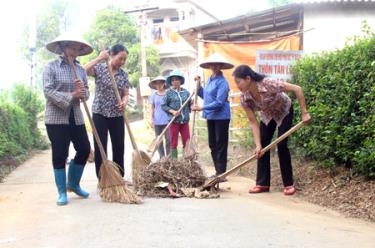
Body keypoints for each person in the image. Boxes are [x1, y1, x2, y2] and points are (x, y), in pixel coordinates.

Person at [232, 64, 311, 196]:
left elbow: (297, 89)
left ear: (248, 78)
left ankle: (288, 184)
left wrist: (304, 113)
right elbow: (253, 122)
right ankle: (262, 183)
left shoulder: (268, 83)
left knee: (281, 144)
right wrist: (257, 145)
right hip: (267, 116)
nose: (237, 86)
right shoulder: (244, 98)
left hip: (284, 111)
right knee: (262, 147)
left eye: (238, 82)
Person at [43, 33, 93, 205]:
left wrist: (83, 93)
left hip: (76, 116)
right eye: (72, 47)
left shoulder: (80, 69)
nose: (75, 51)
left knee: (85, 149)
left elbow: (86, 93)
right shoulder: (51, 67)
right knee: (60, 154)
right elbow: (48, 91)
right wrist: (72, 94)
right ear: (63, 48)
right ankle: (62, 191)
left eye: (77, 48)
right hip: (56, 117)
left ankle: (73, 183)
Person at [84, 44, 129, 178]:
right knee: (100, 147)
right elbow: (83, 70)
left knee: (119, 146)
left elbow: (126, 94)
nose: (122, 62)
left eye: (124, 60)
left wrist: (124, 102)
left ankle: (119, 177)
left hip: (117, 114)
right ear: (112, 55)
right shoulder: (100, 68)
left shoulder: (123, 74)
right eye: (120, 58)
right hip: (100, 113)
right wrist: (99, 58)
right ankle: (102, 178)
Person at [192, 52, 233, 180]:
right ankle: (218, 171)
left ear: (220, 66)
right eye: (212, 64)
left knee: (220, 144)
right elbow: (206, 96)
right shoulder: (210, 80)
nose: (214, 66)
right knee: (212, 144)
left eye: (216, 64)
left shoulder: (222, 82)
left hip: (221, 117)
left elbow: (219, 102)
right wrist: (198, 86)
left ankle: (222, 173)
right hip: (211, 116)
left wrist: (201, 107)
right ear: (209, 66)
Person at [162, 70, 191, 158]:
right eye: (173, 80)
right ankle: (175, 161)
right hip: (174, 121)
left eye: (177, 79)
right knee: (173, 142)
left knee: (187, 141)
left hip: (184, 121)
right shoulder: (168, 93)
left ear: (181, 81)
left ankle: (186, 159)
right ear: (171, 82)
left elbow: (190, 104)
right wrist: (173, 111)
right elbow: (163, 105)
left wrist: (193, 105)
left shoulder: (186, 92)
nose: (175, 81)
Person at [149, 76, 170, 158]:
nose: (159, 85)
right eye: (157, 83)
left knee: (169, 140)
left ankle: (168, 158)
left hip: (167, 120)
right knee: (159, 141)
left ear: (164, 83)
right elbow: (152, 107)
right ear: (155, 85)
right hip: (157, 121)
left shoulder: (168, 94)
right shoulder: (153, 95)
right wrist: (151, 119)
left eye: (160, 83)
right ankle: (162, 157)